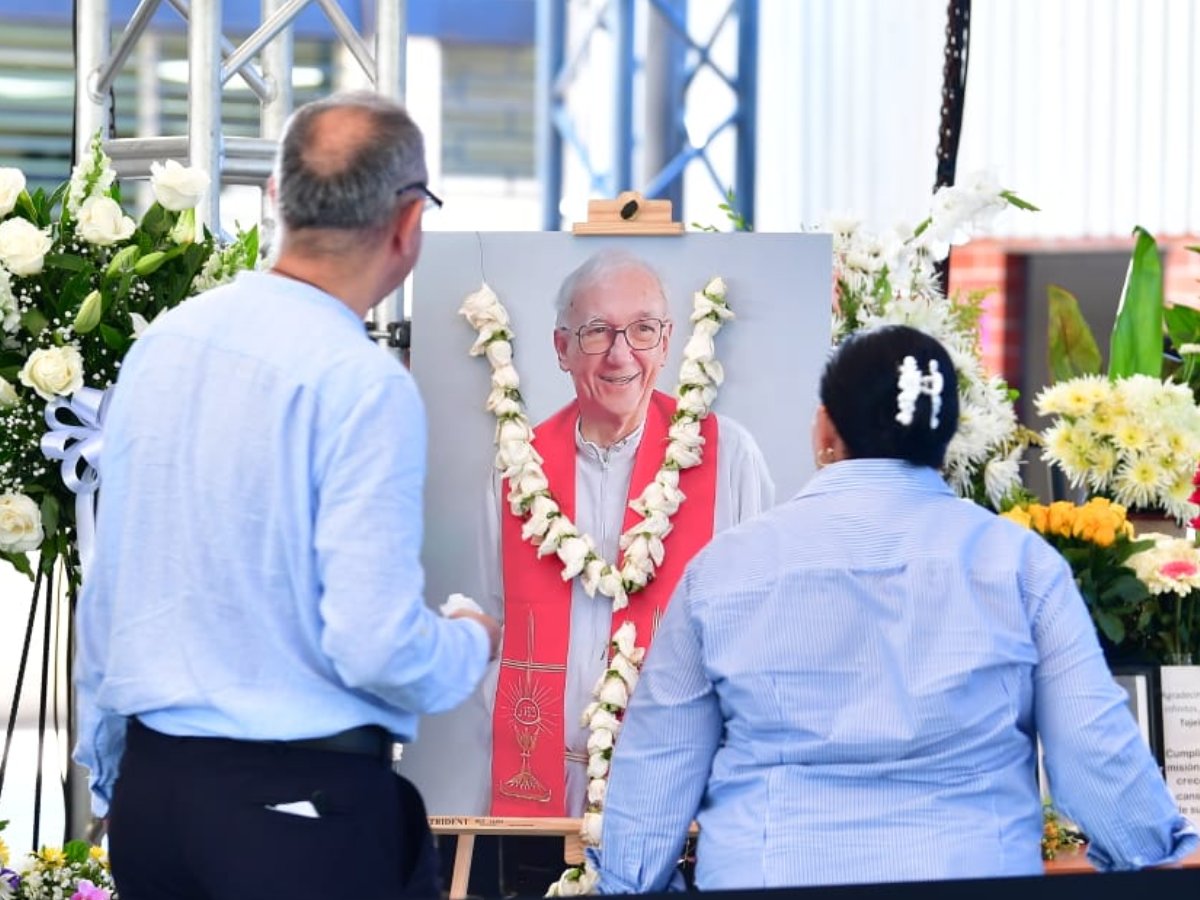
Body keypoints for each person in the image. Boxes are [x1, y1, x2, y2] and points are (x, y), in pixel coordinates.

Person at [74, 91, 500, 900]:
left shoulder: (162, 346)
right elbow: (372, 643)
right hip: (297, 810)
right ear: (409, 223)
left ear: (277, 201)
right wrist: (468, 644)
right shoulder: (359, 382)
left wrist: (118, 782)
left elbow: (112, 591)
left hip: (155, 801)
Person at [594, 324, 1199, 891]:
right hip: (972, 875)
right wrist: (1155, 856)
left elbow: (658, 768)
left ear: (825, 430)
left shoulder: (723, 571)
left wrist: (628, 879)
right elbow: (1096, 757)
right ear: (946, 441)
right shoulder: (1020, 565)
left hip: (771, 872)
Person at [479, 248, 774, 825]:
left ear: (666, 344)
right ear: (561, 348)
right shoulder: (517, 467)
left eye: (642, 330)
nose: (621, 355)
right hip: (541, 794)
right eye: (597, 332)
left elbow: (761, 629)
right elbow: (495, 616)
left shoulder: (729, 455)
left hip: (682, 799)